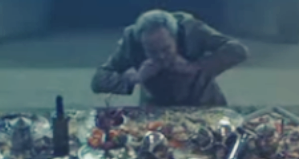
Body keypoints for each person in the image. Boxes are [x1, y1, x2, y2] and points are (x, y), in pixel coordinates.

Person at [91, 9, 249, 107]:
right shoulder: (131, 40)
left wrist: (196, 67)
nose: (161, 57)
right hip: (157, 108)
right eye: (152, 51)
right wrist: (133, 78)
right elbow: (98, 81)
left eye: (166, 49)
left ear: (175, 38)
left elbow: (238, 50)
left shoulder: (192, 30)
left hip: (204, 103)